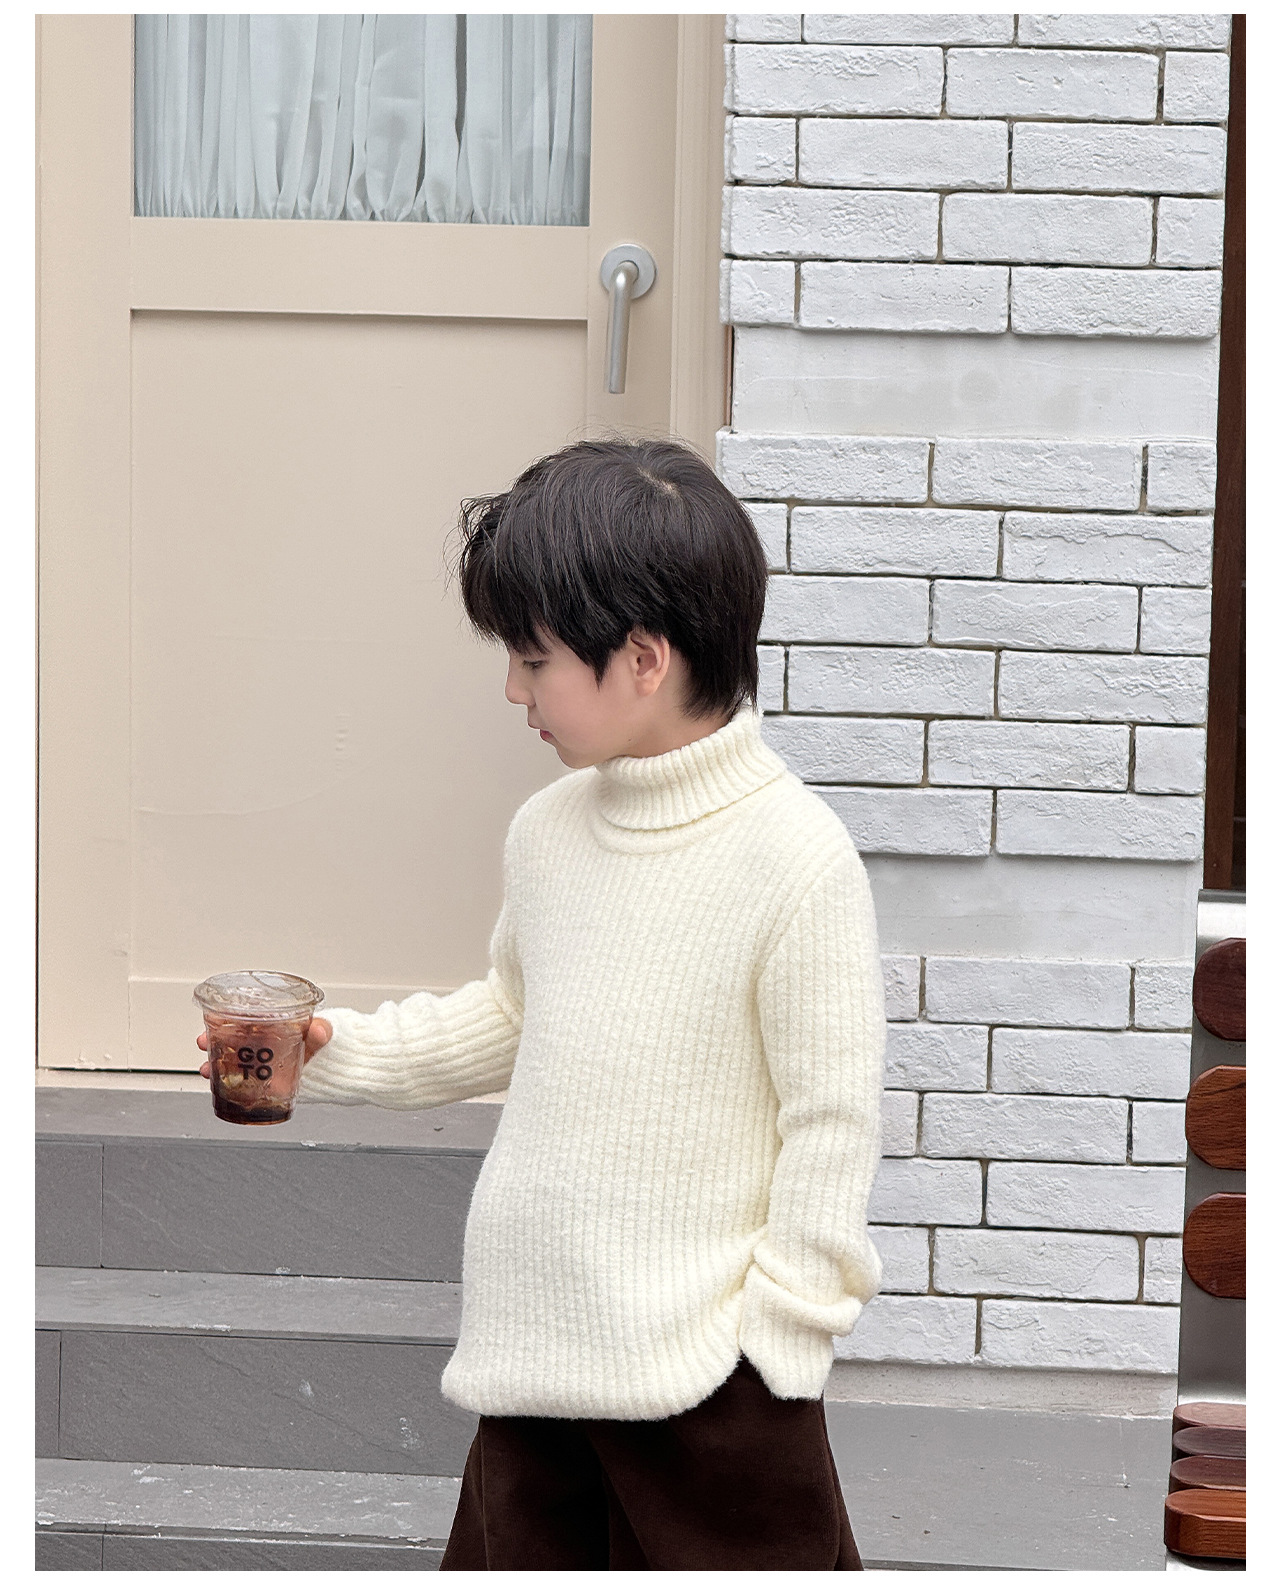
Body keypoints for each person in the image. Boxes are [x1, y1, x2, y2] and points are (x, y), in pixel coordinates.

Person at [198, 436, 886, 1569]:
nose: (513, 690)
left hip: (711, 1382)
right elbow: (517, 1015)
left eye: (533, 658)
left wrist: (781, 1335)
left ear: (644, 658)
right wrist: (330, 1051)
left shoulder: (795, 859)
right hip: (536, 1353)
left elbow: (832, 1121)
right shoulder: (550, 833)